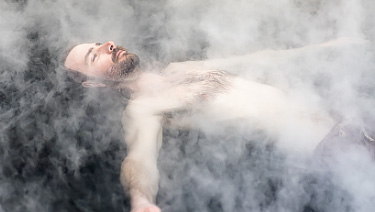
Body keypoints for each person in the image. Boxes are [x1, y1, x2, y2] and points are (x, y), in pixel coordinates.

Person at [64, 40, 341, 212]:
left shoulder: (182, 67)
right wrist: (141, 200)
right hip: (330, 150)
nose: (107, 45)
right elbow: (139, 159)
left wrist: (327, 47)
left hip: (339, 117)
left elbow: (260, 58)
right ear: (94, 83)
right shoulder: (142, 108)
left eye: (99, 42)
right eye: (93, 55)